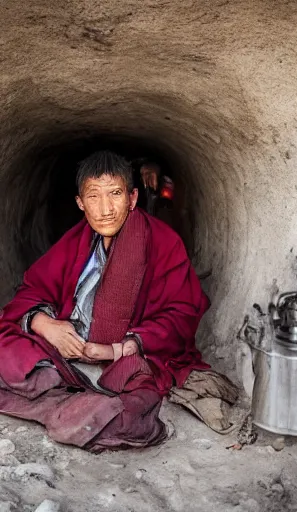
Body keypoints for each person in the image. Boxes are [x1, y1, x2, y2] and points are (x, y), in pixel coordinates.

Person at [0, 151, 212, 451]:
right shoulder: (76, 241)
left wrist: (115, 349)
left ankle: (66, 402)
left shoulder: (164, 243)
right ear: (80, 203)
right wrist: (47, 325)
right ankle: (69, 403)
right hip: (65, 349)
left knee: (136, 398)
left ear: (133, 197)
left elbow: (182, 314)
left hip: (122, 359)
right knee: (7, 348)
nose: (105, 209)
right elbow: (32, 291)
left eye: (115, 194)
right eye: (94, 197)